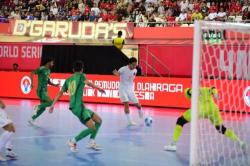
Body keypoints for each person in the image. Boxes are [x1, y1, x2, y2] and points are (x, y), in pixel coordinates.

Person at [164, 87, 245, 151]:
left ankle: (173, 145)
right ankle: (239, 142)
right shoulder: (205, 89)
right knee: (221, 129)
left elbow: (188, 92)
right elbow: (213, 89)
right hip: (213, 110)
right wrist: (216, 94)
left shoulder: (189, 90)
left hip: (200, 110)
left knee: (180, 121)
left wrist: (193, 92)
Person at [48, 61, 105, 152]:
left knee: (99, 120)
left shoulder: (68, 80)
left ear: (73, 69)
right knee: (92, 128)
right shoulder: (82, 76)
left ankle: (91, 141)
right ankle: (72, 141)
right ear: (82, 69)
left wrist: (52, 105)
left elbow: (60, 93)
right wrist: (99, 89)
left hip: (76, 107)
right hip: (79, 107)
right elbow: (89, 83)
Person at [113, 57, 143, 126]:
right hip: (122, 88)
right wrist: (117, 74)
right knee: (126, 103)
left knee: (138, 105)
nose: (135, 66)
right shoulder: (123, 69)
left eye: (136, 65)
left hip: (130, 89)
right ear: (129, 64)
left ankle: (140, 110)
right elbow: (118, 74)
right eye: (133, 65)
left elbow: (131, 78)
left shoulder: (135, 70)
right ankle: (130, 121)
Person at [28, 58, 59, 125]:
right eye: (52, 63)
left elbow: (48, 81)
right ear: (48, 63)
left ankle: (32, 119)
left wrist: (55, 85)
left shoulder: (49, 70)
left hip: (45, 90)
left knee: (43, 108)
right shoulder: (41, 68)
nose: (53, 64)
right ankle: (37, 107)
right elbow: (32, 73)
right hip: (41, 90)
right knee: (51, 102)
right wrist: (32, 83)